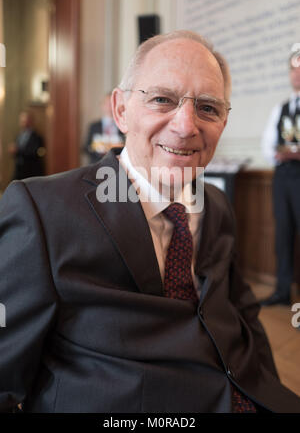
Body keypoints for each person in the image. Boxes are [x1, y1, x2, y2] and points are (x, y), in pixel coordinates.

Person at [0, 30, 300, 413]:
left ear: (223, 121)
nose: (186, 125)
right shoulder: (42, 212)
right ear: (121, 110)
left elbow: (244, 315)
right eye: (162, 99)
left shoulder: (218, 205)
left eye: (208, 107)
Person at [261, 52, 300, 306]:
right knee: (283, 234)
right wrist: (282, 154)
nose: (296, 74)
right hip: (283, 179)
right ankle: (283, 291)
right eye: (293, 69)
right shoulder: (281, 108)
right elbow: (267, 147)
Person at [84, 92, 124, 163]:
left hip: (118, 164)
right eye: (107, 104)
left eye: (112, 104)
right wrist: (97, 150)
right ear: (102, 105)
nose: (109, 107)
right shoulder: (94, 126)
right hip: (96, 164)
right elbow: (85, 147)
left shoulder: (123, 125)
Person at [8, 110, 45, 180]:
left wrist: (18, 150)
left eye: (24, 120)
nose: (22, 122)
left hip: (31, 172)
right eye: (21, 120)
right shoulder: (19, 135)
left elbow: (36, 153)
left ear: (30, 121)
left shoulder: (37, 137)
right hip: (19, 171)